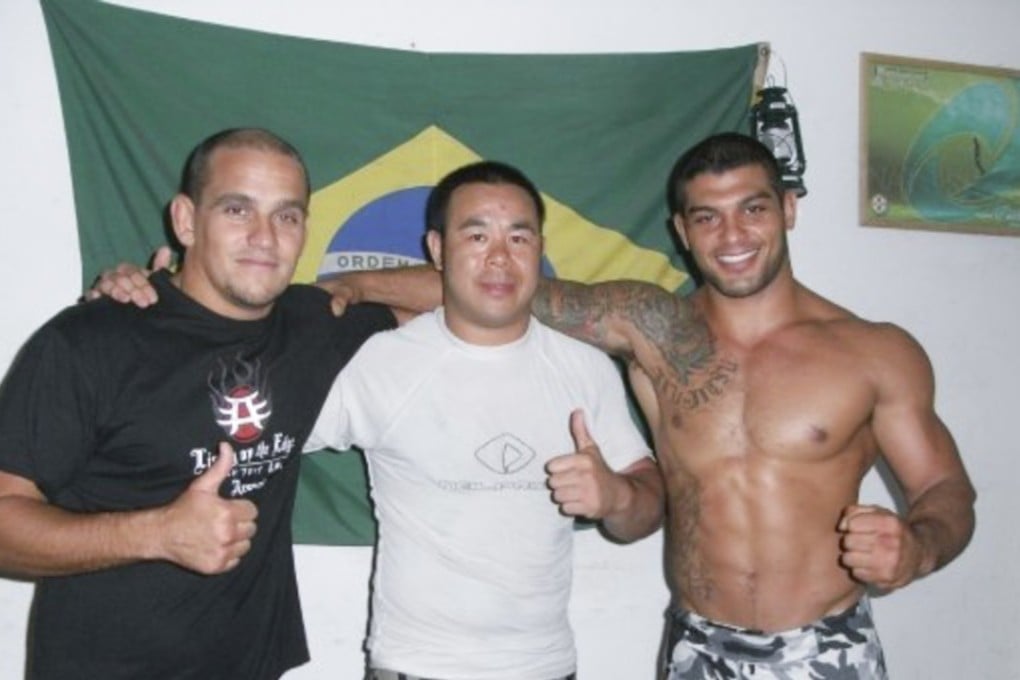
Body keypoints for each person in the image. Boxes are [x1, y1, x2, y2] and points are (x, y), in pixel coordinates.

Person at [319, 133, 977, 679]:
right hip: (697, 647)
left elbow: (947, 490)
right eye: (707, 217)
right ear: (681, 231)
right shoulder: (650, 327)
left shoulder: (873, 352)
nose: (732, 234)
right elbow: (490, 288)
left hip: (825, 645)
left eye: (753, 209)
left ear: (788, 209)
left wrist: (916, 548)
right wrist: (352, 284)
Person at [90, 160, 665, 680]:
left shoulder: (584, 369)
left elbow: (647, 506)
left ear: (539, 246)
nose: (499, 256)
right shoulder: (377, 362)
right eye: (476, 234)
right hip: (412, 667)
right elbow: (232, 424)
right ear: (437, 250)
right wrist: (148, 315)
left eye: (519, 236)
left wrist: (616, 497)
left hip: (547, 667)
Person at [0, 128, 396, 679]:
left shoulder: (314, 325)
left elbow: (472, 293)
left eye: (287, 216)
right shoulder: (89, 343)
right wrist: (157, 533)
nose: (265, 237)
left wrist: (357, 282)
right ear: (186, 221)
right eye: (238, 209)